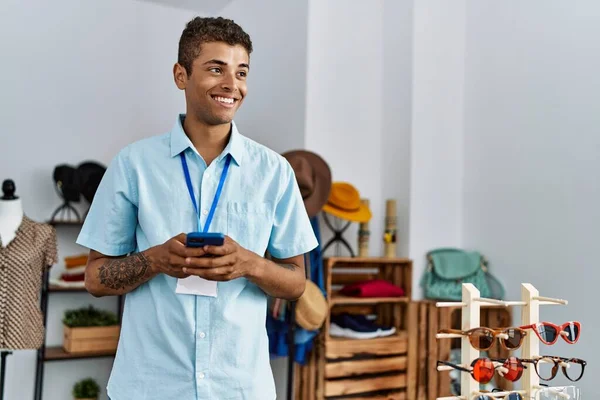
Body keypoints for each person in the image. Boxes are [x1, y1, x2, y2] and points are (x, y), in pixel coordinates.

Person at [76, 16, 317, 400]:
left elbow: (297, 282)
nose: (231, 85)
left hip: (240, 388)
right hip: (150, 386)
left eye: (241, 72)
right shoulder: (133, 165)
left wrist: (249, 264)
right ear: (181, 75)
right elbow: (95, 278)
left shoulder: (275, 172)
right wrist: (155, 260)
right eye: (216, 69)